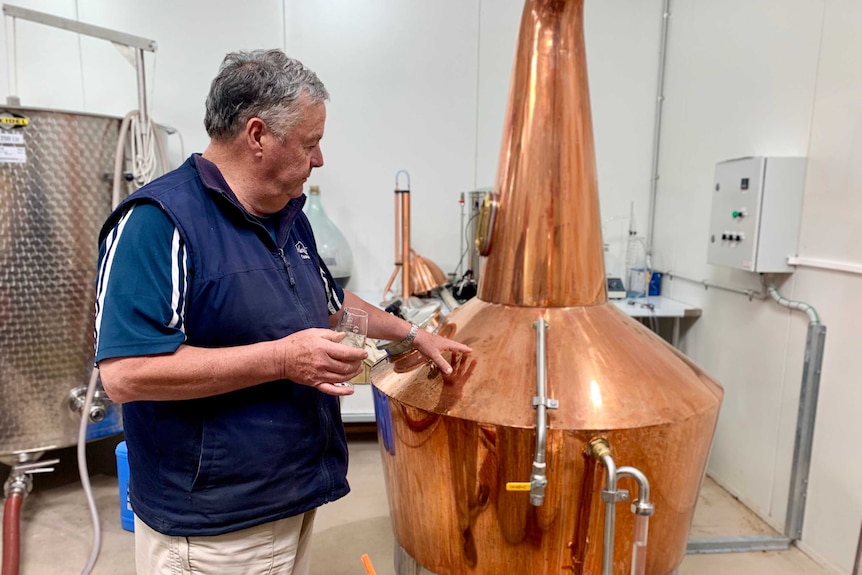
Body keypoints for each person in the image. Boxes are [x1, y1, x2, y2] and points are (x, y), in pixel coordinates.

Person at [94, 48, 471, 575]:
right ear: (257, 135)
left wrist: (412, 334)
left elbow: (332, 306)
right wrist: (284, 360)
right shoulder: (158, 224)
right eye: (311, 143)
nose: (320, 160)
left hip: (290, 498)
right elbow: (125, 375)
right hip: (214, 526)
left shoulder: (287, 215)